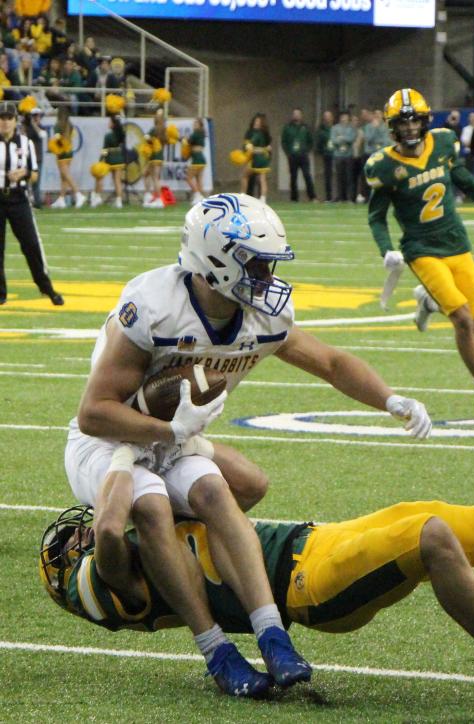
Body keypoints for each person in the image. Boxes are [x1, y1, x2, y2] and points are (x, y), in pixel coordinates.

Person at [63, 192, 433, 696]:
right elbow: (94, 413)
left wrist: (390, 399)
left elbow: (329, 362)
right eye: (256, 263)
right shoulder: (153, 306)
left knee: (220, 494)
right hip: (111, 442)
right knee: (148, 505)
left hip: (175, 439)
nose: (266, 276)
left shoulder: (260, 315)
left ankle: (272, 633)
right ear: (214, 260)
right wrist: (169, 432)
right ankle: (216, 648)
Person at [41, 492, 474, 708]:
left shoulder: (154, 522)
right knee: (431, 540)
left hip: (318, 538)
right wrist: (117, 475)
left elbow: (247, 484)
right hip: (309, 587)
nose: (86, 529)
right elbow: (116, 548)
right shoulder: (116, 585)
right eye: (77, 538)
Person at [365, 89, 474, 409]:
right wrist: (386, 250)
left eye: (415, 121)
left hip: (456, 242)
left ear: (424, 121)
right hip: (421, 248)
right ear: (392, 126)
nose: (410, 128)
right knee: (464, 320)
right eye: (403, 122)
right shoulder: (383, 166)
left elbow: (466, 181)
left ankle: (428, 301)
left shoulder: (442, 143)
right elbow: (376, 216)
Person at [0, 100, 61, 306]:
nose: (5, 122)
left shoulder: (25, 143)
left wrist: (23, 173)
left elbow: (34, 175)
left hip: (18, 197)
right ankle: (1, 293)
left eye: (9, 118)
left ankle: (46, 287)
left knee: (31, 244)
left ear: (15, 120)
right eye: (2, 118)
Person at [49, 106, 85, 209]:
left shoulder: (58, 125)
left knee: (67, 176)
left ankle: (78, 194)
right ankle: (61, 199)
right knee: (63, 177)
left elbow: (57, 140)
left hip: (62, 153)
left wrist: (55, 148)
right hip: (69, 152)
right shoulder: (70, 125)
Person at [281, 108, 316, 203]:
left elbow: (310, 141)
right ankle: (294, 198)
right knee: (293, 177)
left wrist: (307, 150)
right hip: (292, 156)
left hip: (303, 156)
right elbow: (284, 142)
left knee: (307, 175)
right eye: (294, 114)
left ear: (301, 115)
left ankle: (312, 197)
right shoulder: (287, 127)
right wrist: (288, 152)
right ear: (293, 116)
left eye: (298, 114)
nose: (296, 115)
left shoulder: (305, 127)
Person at [91, 113, 125, 209]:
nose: (108, 123)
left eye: (110, 122)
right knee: (117, 181)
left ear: (113, 124)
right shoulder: (121, 134)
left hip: (110, 159)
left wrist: (101, 160)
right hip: (119, 158)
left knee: (100, 178)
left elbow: (104, 150)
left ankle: (97, 197)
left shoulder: (108, 136)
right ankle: (119, 201)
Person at [241, 113, 271, 202]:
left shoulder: (256, 133)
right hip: (264, 157)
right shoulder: (265, 133)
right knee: (262, 179)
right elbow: (268, 147)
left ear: (262, 123)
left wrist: (248, 146)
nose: (256, 123)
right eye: (255, 121)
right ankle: (263, 198)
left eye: (258, 122)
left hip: (256, 158)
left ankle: (242, 196)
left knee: (244, 176)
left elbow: (250, 145)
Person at [142, 108, 166, 209]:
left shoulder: (154, 129)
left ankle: (159, 199)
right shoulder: (164, 130)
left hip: (154, 156)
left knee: (155, 178)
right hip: (159, 156)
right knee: (146, 173)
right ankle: (149, 195)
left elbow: (147, 138)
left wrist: (147, 138)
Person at [330, 111, 356, 203]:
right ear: (340, 118)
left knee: (349, 177)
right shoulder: (335, 128)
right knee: (339, 177)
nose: (344, 119)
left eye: (346, 117)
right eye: (342, 117)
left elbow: (351, 139)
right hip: (338, 155)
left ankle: (350, 198)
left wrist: (342, 138)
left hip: (348, 155)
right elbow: (333, 140)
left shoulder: (351, 128)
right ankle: (340, 197)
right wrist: (342, 139)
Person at [22, 106, 44, 208]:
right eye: (34, 115)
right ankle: (25, 202)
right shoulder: (27, 127)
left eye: (37, 115)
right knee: (24, 182)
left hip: (37, 158)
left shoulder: (41, 128)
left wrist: (34, 125)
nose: (36, 118)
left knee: (36, 182)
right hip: (26, 158)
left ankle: (37, 203)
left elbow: (42, 135)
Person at [184, 118, 206, 204]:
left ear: (200, 125)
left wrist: (184, 140)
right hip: (201, 159)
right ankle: (200, 197)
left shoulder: (196, 133)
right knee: (198, 179)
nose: (194, 125)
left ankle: (198, 195)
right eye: (194, 123)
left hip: (197, 159)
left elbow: (189, 142)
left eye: (196, 123)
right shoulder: (201, 133)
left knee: (188, 178)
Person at [314, 110, 334, 202]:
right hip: (327, 155)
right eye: (325, 116)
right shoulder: (321, 131)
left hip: (337, 155)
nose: (327, 118)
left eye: (329, 116)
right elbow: (318, 144)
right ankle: (328, 197)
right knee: (328, 176)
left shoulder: (336, 128)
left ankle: (342, 197)